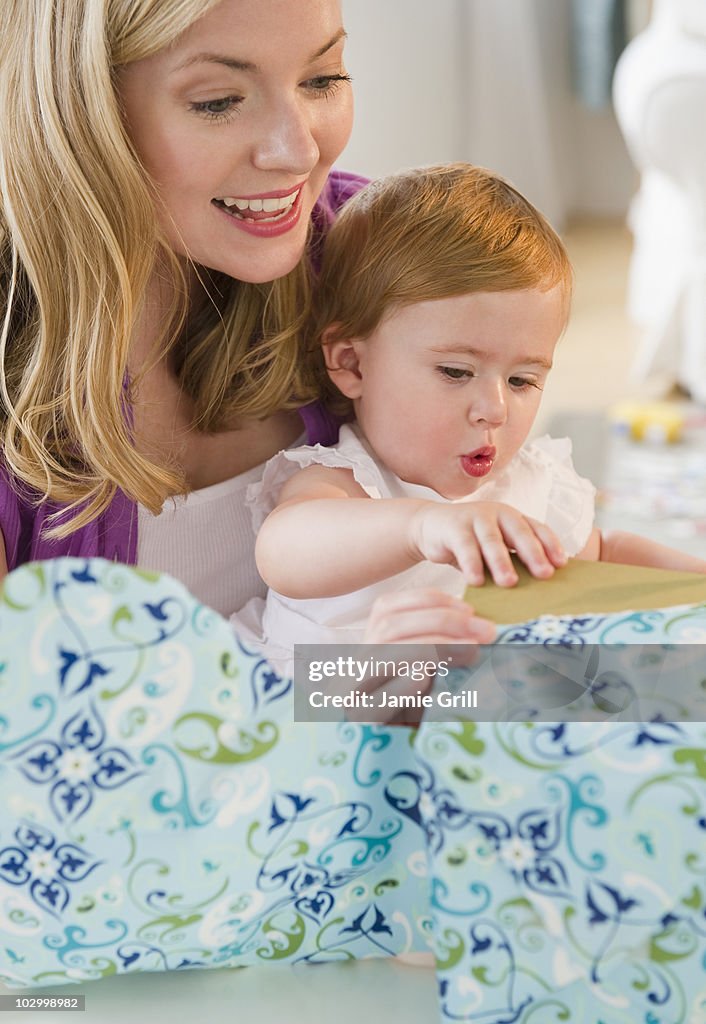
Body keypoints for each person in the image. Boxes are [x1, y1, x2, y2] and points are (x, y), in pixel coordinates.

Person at [0, 0, 493, 648]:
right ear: (78, 112)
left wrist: (390, 699)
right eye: (218, 100)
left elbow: (566, 666)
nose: (299, 150)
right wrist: (330, 701)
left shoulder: (382, 267)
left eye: (322, 79)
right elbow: (33, 737)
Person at [244, 162, 706, 669]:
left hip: (461, 722)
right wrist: (423, 526)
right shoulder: (342, 483)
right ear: (352, 363)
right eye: (456, 372)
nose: (494, 410)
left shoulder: (529, 485)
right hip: (322, 709)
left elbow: (607, 552)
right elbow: (283, 554)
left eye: (522, 380)